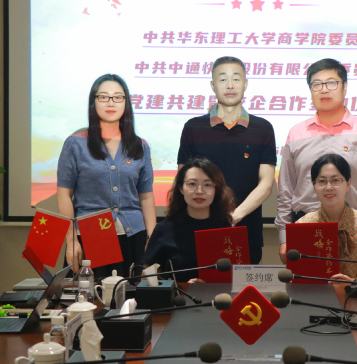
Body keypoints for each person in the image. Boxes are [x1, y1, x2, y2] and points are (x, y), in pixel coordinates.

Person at [276, 58, 357, 263]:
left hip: (356, 229)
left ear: (345, 87)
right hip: (305, 227)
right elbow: (286, 191)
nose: (324, 89)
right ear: (310, 90)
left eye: (331, 83)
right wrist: (285, 238)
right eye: (317, 84)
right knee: (309, 283)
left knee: (354, 283)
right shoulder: (296, 133)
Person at [178, 56, 276, 264]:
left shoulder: (263, 128)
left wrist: (234, 216)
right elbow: (184, 181)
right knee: (198, 284)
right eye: (223, 79)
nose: (230, 85)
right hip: (199, 231)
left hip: (247, 233)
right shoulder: (193, 127)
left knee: (243, 285)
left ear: (245, 84)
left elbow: (266, 183)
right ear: (213, 85)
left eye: (236, 79)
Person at [57, 74, 156, 279]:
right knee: (92, 294)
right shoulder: (76, 143)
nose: (111, 102)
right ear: (93, 102)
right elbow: (64, 194)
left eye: (118, 97)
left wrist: (152, 240)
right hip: (91, 234)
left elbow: (146, 197)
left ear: (126, 103)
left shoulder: (140, 146)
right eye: (103, 97)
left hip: (133, 235)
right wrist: (71, 240)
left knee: (131, 294)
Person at [135, 157, 235, 282]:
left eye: (207, 185)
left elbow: (236, 278)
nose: (199, 191)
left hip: (218, 294)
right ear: (181, 188)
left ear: (216, 189)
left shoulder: (226, 230)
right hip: (177, 294)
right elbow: (147, 278)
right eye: (192, 184)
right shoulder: (164, 229)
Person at [296, 154, 357, 283]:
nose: (328, 187)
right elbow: (297, 275)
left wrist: (353, 283)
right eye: (322, 181)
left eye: (335, 180)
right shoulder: (303, 225)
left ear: (348, 184)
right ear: (314, 186)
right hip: (317, 294)